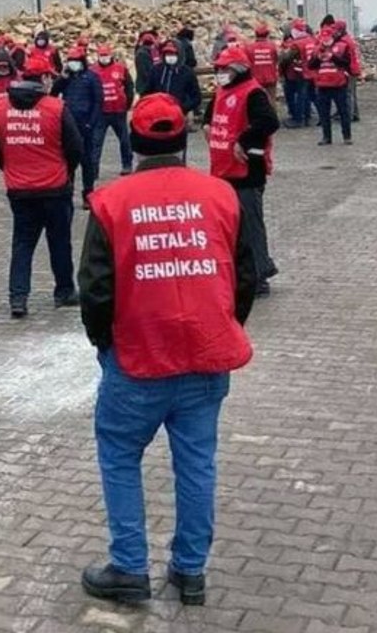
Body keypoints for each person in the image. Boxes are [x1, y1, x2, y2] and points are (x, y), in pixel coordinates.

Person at [78, 92, 257, 605]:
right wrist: (225, 323)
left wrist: (104, 344)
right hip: (205, 354)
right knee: (197, 462)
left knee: (119, 456)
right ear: (183, 141)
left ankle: (130, 567)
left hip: (137, 358)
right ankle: (190, 570)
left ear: (133, 142)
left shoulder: (111, 202)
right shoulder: (221, 195)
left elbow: (94, 287)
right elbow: (244, 274)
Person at [0, 57, 83, 318]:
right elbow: (75, 148)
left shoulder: (0, 109)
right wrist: (67, 170)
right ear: (43, 79)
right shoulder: (56, 108)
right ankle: (64, 291)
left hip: (19, 189)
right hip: (55, 187)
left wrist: (11, 167)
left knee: (22, 244)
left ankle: (18, 298)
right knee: (60, 242)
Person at [205, 47, 281, 296]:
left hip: (247, 170)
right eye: (218, 69)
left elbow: (269, 121)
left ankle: (259, 276)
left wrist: (244, 140)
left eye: (224, 69)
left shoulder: (253, 93)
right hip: (223, 169)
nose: (220, 74)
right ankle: (252, 268)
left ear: (238, 70)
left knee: (250, 225)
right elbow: (210, 116)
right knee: (232, 227)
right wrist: (207, 126)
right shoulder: (222, 91)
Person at [52, 47, 105, 206]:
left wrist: (91, 123)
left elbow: (98, 101)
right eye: (71, 61)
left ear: (82, 62)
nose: (73, 64)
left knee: (86, 161)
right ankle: (68, 191)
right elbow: (53, 95)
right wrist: (62, 78)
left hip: (86, 124)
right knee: (68, 161)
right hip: (68, 124)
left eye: (76, 61)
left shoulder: (92, 77)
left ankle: (88, 193)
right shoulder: (66, 79)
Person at [90, 45, 136, 175]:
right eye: (102, 55)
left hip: (118, 111)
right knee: (96, 142)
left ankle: (127, 165)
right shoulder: (93, 70)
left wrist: (127, 104)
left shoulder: (120, 69)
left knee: (124, 140)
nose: (104, 58)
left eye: (106, 55)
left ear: (111, 55)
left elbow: (129, 87)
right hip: (101, 112)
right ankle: (94, 169)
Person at [309, 30, 359, 145]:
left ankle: (347, 136)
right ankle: (326, 137)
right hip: (322, 85)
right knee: (324, 113)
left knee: (343, 111)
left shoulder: (342, 47)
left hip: (339, 84)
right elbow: (310, 65)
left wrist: (333, 57)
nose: (325, 41)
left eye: (327, 38)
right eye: (323, 38)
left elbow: (346, 63)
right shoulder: (316, 50)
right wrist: (319, 58)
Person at [146, 42, 202, 115]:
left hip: (181, 113)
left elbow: (196, 97)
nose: (170, 57)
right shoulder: (156, 70)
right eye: (167, 54)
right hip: (159, 113)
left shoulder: (187, 72)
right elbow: (147, 92)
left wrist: (183, 107)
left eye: (173, 54)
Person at [280, 19, 316, 128]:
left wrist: (281, 55)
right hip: (310, 71)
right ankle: (309, 117)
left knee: (301, 95)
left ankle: (298, 119)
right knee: (310, 95)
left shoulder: (296, 44)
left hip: (299, 73)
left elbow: (286, 58)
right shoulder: (311, 40)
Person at [248, 25, 280, 102]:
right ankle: (272, 113)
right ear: (267, 34)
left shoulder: (250, 47)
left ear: (255, 34)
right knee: (271, 100)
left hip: (255, 78)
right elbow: (276, 59)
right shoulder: (272, 46)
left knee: (256, 100)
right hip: (271, 77)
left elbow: (248, 63)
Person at [134, 31, 159, 96]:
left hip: (144, 85)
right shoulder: (147, 52)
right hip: (146, 86)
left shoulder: (140, 52)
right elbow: (146, 71)